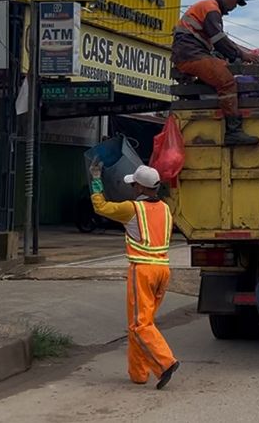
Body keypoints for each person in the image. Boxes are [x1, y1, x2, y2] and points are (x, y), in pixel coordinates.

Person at [89, 161, 180, 389]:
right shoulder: (166, 209)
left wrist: (96, 180)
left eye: (133, 185)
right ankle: (138, 373)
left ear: (140, 187)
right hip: (163, 270)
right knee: (141, 323)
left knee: (140, 325)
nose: (132, 188)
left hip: (143, 271)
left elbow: (100, 207)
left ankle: (165, 363)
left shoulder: (132, 209)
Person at [172, 0, 259, 146]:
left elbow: (217, 42)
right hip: (191, 55)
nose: (234, 7)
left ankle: (196, 99)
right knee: (226, 82)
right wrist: (241, 55)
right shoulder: (211, 9)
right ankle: (233, 131)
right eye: (236, 2)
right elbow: (219, 40)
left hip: (191, 54)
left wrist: (232, 56)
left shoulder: (207, 8)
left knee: (219, 71)